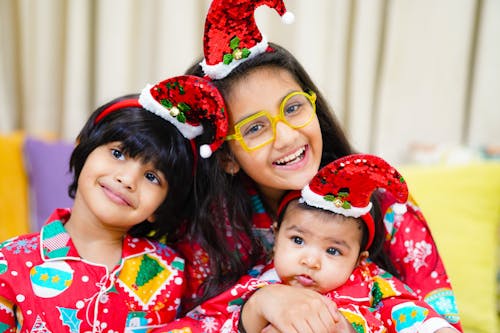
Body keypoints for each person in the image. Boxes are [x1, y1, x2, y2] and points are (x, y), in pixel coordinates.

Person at [157, 0, 462, 332]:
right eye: (255, 128)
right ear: (227, 157)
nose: (287, 137)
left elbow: (442, 323)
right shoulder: (213, 224)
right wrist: (257, 307)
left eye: (293, 107)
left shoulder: (383, 202)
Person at [0, 75, 228, 332]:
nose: (128, 179)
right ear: (84, 152)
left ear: (161, 207)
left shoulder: (169, 268)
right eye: (118, 153)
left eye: (152, 177)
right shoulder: (9, 261)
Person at [240, 154, 458, 333]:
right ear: (276, 236)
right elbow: (215, 318)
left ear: (358, 260)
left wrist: (436, 328)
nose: (311, 260)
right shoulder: (255, 283)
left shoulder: (372, 283)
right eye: (298, 240)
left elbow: (407, 310)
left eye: (333, 250)